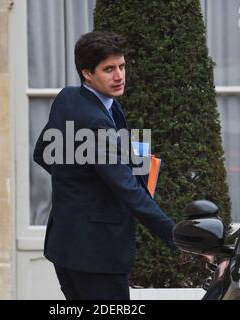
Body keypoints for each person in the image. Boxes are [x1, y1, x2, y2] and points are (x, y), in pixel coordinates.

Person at [33, 31, 176, 300]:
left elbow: (43, 153)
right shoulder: (95, 122)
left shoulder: (69, 97)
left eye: (121, 66)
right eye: (108, 69)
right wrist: (175, 236)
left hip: (66, 246)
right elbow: (127, 189)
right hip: (96, 254)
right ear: (87, 73)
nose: (119, 75)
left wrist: (83, 178)